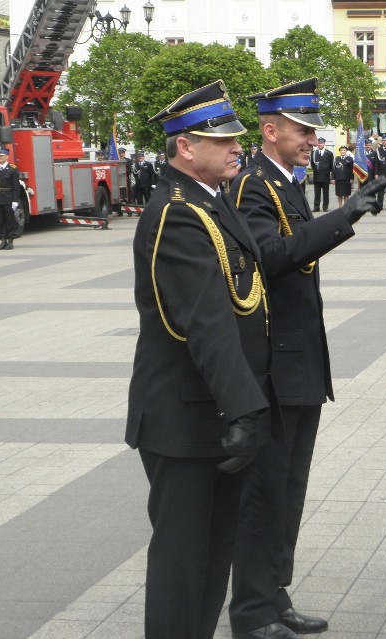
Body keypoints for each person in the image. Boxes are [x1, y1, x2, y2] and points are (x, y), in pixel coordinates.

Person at [228, 77, 384, 639]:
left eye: (313, 130)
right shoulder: (253, 185)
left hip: (298, 361)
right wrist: (343, 218)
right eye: (302, 129)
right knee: (265, 493)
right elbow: (271, 257)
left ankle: (275, 594)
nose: (311, 139)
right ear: (270, 130)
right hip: (275, 365)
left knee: (289, 490)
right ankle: (250, 610)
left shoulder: (284, 182)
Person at [125, 79, 273, 639]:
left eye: (237, 137)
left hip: (216, 412)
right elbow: (206, 321)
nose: (239, 146)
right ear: (186, 147)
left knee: (214, 556)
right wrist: (244, 410)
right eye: (225, 139)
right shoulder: (177, 213)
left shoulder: (210, 202)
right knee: (184, 566)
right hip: (188, 419)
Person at [0, 147, 20, 250]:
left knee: (9, 220)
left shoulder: (12, 169)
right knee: (0, 220)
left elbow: (16, 186)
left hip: (8, 197)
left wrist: (15, 201)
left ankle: (10, 240)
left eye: (2, 156)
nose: (0, 158)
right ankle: (3, 240)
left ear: (7, 157)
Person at [310, 137, 333, 212]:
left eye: (321, 143)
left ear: (324, 144)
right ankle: (316, 207)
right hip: (316, 176)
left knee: (326, 193)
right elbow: (312, 164)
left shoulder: (329, 153)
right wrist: (316, 170)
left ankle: (325, 207)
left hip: (325, 176)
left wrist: (328, 173)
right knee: (317, 193)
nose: (320, 144)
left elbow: (331, 165)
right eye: (319, 143)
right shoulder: (314, 153)